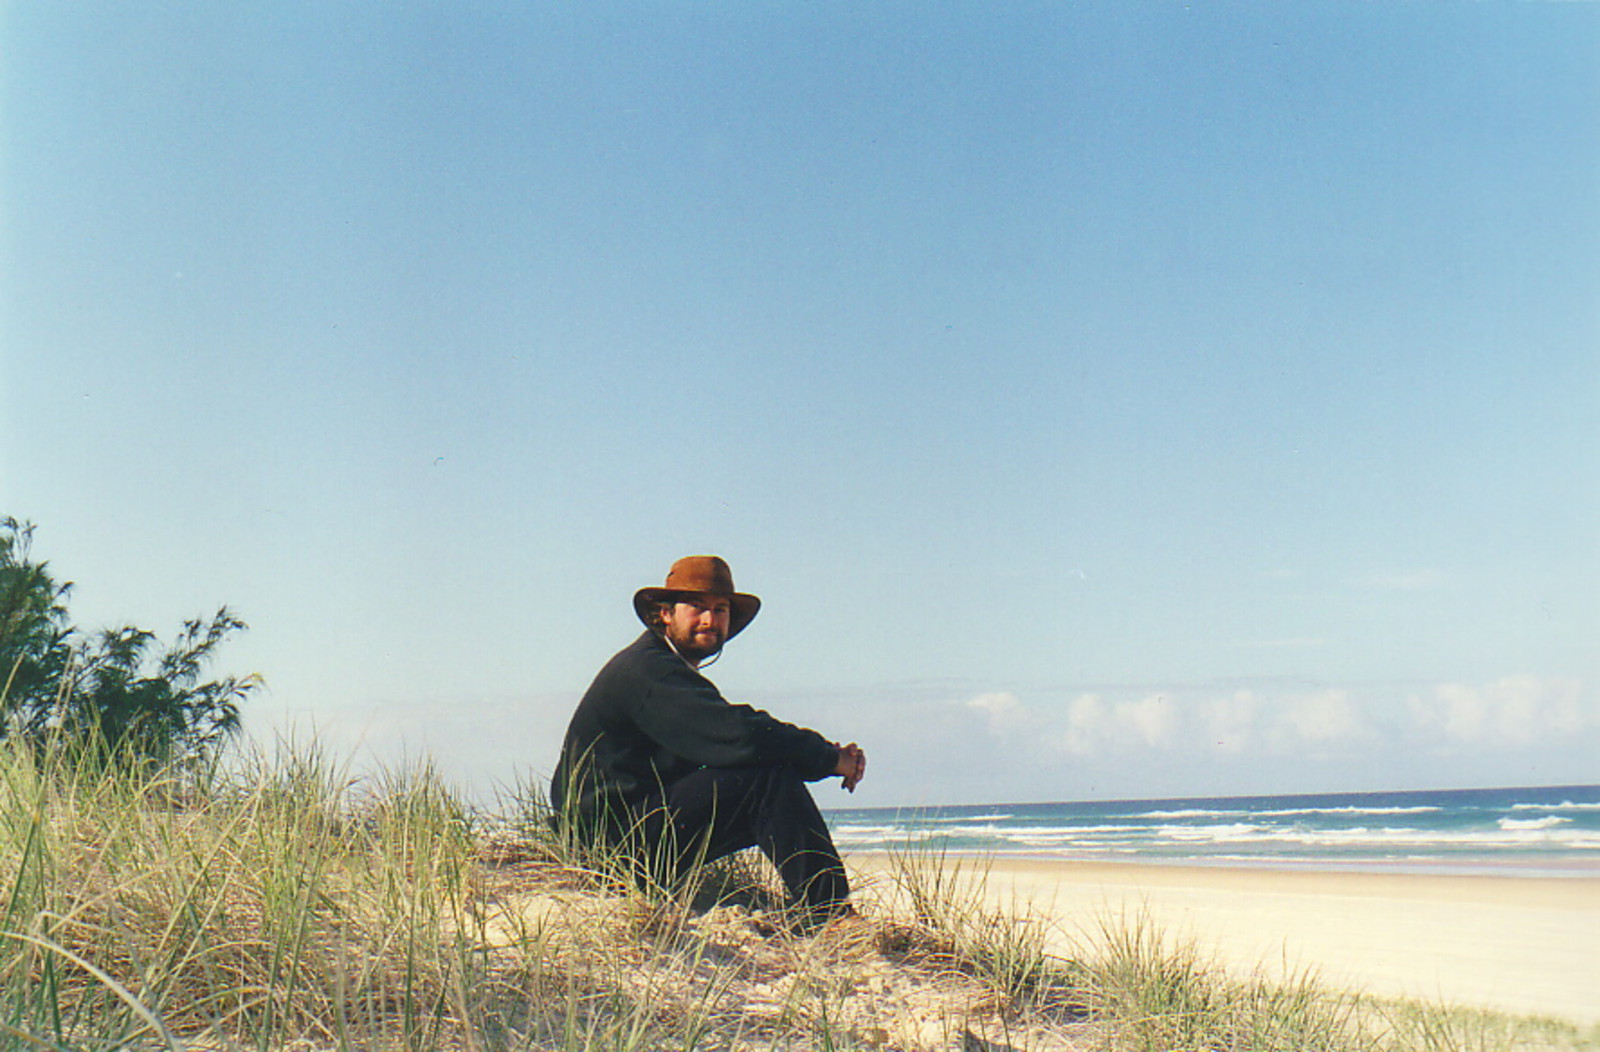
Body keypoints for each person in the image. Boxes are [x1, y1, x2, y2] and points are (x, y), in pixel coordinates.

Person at [550, 555, 865, 923]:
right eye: (697, 607)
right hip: (603, 849)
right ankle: (832, 918)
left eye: (720, 609)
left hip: (625, 837)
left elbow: (731, 743)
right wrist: (830, 759)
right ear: (665, 614)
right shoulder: (648, 670)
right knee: (765, 780)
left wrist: (819, 760)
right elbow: (740, 733)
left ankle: (821, 909)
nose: (710, 620)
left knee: (761, 769)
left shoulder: (669, 669)